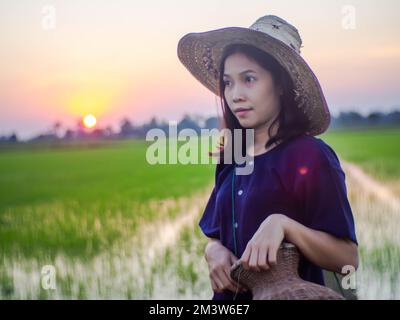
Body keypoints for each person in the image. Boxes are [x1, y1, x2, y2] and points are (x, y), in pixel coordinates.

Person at [177, 15, 358, 300]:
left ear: (281, 85)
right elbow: (215, 234)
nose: (235, 95)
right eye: (228, 83)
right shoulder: (232, 156)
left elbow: (347, 258)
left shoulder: (311, 156)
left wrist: (283, 225)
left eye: (249, 79)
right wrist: (212, 251)